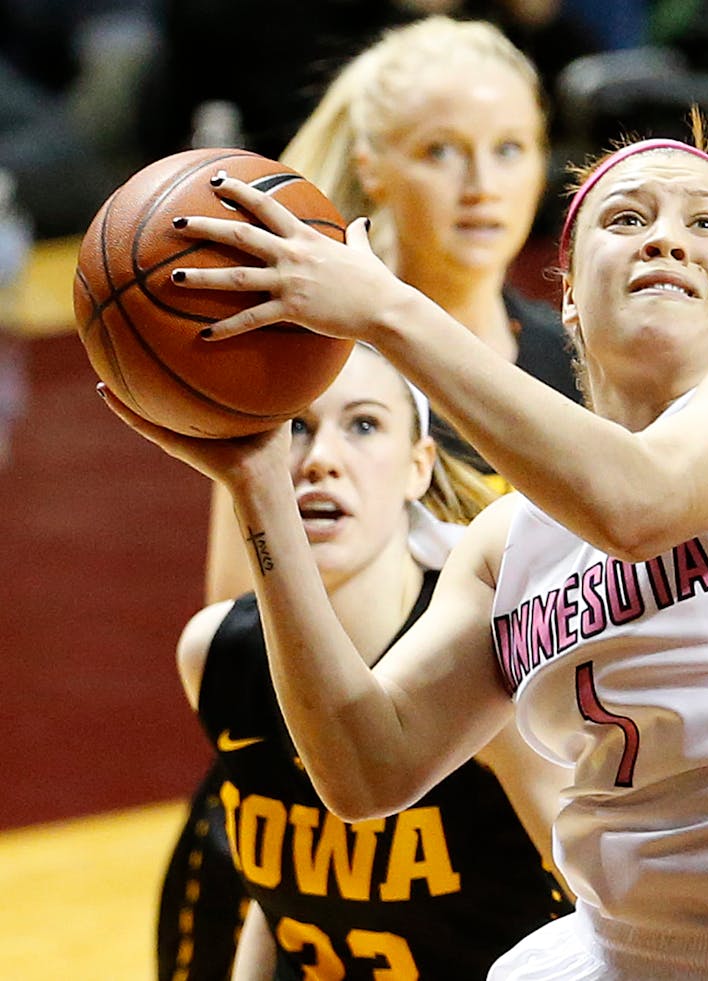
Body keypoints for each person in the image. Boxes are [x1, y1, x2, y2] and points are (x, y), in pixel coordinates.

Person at [108, 116, 708, 980]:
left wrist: (386, 307)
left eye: (705, 223)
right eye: (627, 219)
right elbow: (367, 769)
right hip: (621, 948)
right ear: (567, 294)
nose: (666, 237)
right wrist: (258, 483)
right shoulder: (507, 542)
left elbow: (639, 502)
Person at [158, 21, 583, 978]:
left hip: (511, 807)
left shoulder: (578, 368)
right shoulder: (296, 358)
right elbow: (246, 641)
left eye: (510, 149)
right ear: (375, 168)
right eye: (442, 153)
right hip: (304, 825)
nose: (482, 184)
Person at [170, 344, 574, 979]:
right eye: (295, 426)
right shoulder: (215, 653)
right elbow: (274, 905)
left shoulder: (484, 659)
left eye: (363, 425)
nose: (321, 460)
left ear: (419, 468)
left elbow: (598, 902)